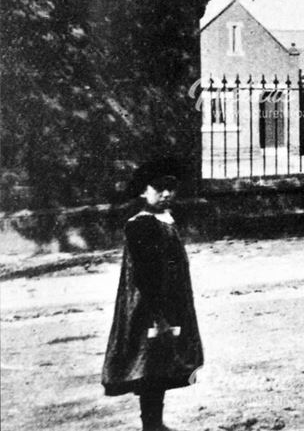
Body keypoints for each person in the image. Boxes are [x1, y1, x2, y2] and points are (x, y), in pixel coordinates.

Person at [103, 172, 203, 431]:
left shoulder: (165, 220)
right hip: (149, 305)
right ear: (143, 191)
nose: (166, 194)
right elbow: (144, 274)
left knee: (159, 363)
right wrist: (159, 314)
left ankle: (155, 422)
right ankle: (151, 424)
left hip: (168, 302)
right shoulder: (141, 224)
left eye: (171, 188)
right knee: (149, 364)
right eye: (159, 188)